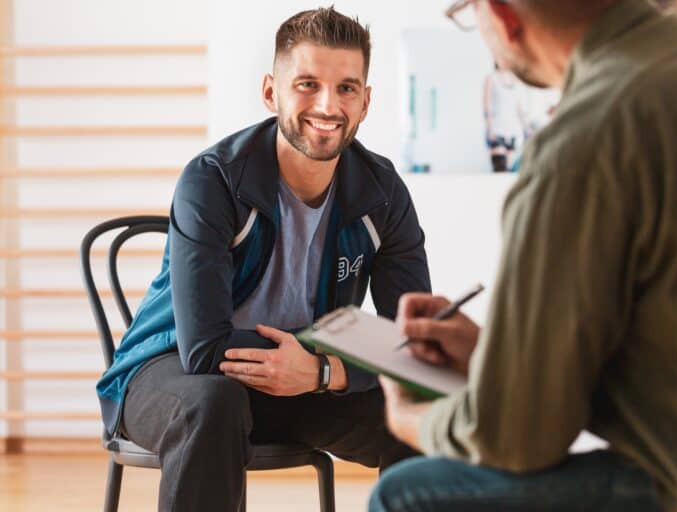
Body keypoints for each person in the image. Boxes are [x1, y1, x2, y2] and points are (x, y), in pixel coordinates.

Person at [370, 0, 677, 511]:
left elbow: (516, 437)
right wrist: (501, 357)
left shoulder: (582, 144)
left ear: (504, 16)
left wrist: (411, 420)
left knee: (408, 494)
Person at [95, 7, 431, 511]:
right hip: (169, 375)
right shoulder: (213, 179)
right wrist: (324, 358)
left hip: (299, 381)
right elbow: (204, 351)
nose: (328, 104)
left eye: (346, 88)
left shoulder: (382, 193)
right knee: (214, 401)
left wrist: (321, 372)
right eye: (308, 84)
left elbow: (411, 346)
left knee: (425, 407)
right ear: (271, 91)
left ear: (365, 101)